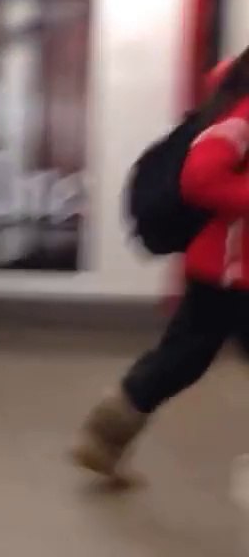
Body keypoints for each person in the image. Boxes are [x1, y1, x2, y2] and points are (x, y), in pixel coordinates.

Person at [73, 53, 249, 484]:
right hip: (231, 269)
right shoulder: (243, 115)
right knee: (184, 354)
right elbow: (200, 177)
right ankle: (103, 436)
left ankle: (104, 435)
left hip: (222, 267)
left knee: (183, 355)